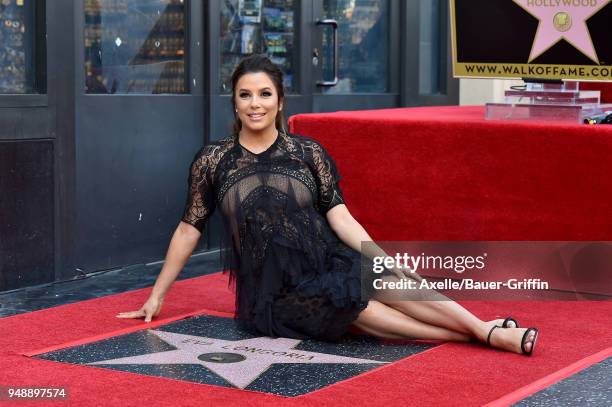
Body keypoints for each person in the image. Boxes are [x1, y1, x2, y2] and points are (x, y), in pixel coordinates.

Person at [117, 54, 538, 356]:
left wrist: (375, 254)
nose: (255, 103)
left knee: (383, 276)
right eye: (245, 95)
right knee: (353, 306)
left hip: (324, 257)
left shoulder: (307, 153)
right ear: (235, 102)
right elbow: (189, 227)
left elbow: (339, 215)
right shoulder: (214, 160)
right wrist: (157, 296)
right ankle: (480, 335)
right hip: (273, 291)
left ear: (280, 101)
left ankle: (483, 330)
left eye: (265, 94)